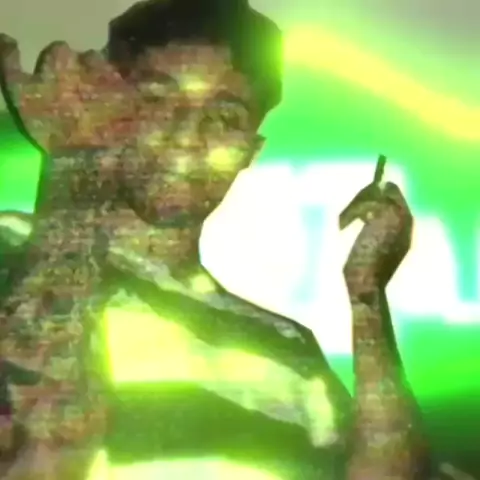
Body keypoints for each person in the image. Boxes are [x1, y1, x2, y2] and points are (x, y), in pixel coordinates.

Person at [0, 1, 351, 478]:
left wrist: (368, 298)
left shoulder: (290, 350)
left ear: (250, 150)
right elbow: (36, 449)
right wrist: (77, 163)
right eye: (156, 101)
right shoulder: (10, 250)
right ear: (105, 104)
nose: (187, 135)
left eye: (224, 118)